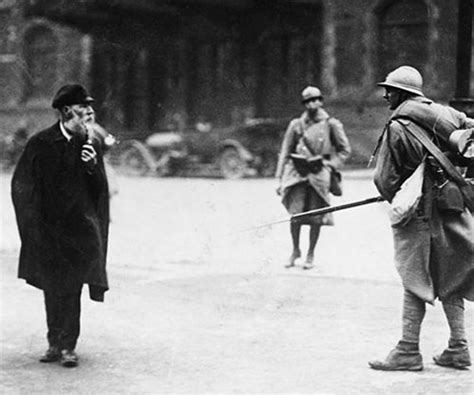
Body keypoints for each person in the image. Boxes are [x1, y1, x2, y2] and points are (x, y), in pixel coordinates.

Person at [369, 65, 474, 371]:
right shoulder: (449, 116)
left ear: (403, 93)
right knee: (452, 275)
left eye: (390, 89)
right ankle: (459, 347)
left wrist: (401, 193)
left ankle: (407, 350)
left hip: (419, 213)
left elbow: (384, 179)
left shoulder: (397, 127)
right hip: (453, 206)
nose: (386, 94)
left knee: (414, 276)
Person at [11, 84, 110, 368]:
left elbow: (99, 192)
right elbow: (21, 184)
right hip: (48, 230)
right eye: (84, 110)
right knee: (53, 288)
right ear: (67, 111)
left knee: (72, 288)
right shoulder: (40, 143)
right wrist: (30, 222)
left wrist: (91, 168)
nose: (90, 114)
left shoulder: (90, 144)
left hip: (78, 230)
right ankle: (54, 342)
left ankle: (68, 346)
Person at [275, 86, 351, 269]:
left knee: (316, 216)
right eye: (307, 101)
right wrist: (279, 178)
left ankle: (310, 254)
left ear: (321, 101)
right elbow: (285, 151)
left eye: (315, 100)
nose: (311, 104)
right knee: (296, 214)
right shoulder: (296, 125)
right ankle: (295, 250)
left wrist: (330, 165)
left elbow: (344, 150)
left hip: (319, 173)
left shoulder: (331, 124)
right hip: (297, 172)